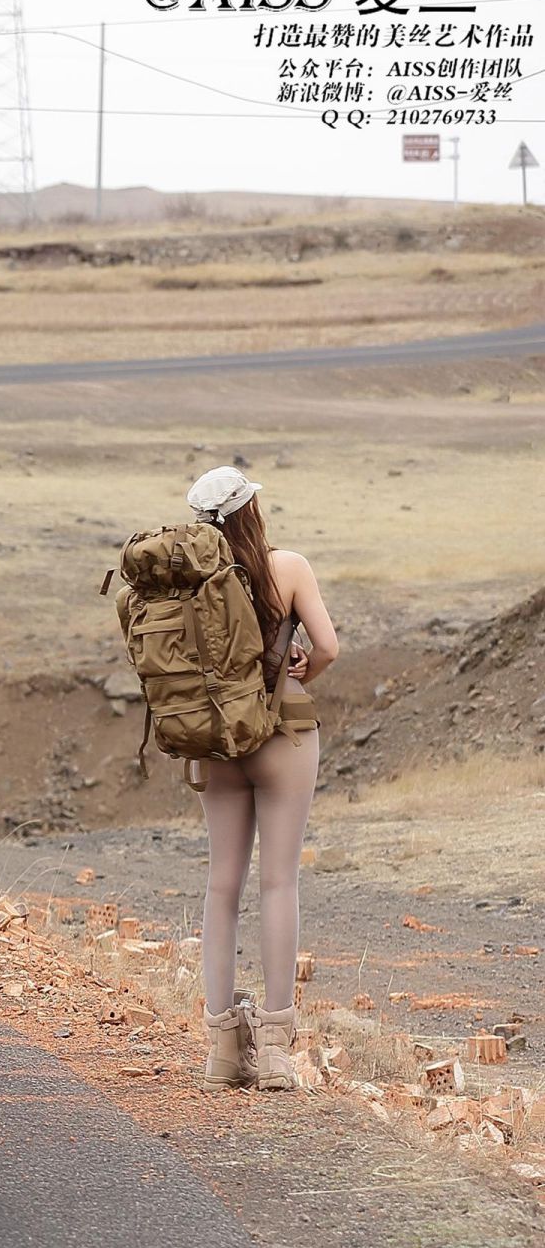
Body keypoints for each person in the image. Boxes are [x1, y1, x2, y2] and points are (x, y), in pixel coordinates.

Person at [189, 466, 339, 1091]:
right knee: (279, 882)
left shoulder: (188, 580)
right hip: (283, 731)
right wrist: (300, 664)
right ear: (253, 508)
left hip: (217, 738)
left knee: (223, 884)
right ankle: (276, 1051)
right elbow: (327, 646)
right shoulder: (289, 567)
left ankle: (223, 1052)